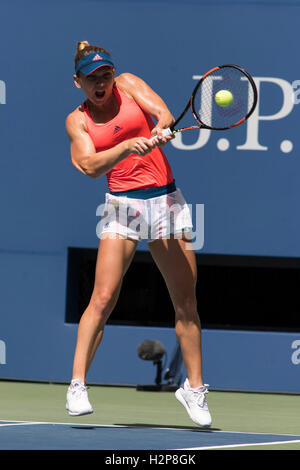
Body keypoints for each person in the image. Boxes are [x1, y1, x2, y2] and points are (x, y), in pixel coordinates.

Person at [65, 40, 212, 428]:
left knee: (186, 302)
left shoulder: (129, 85)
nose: (102, 83)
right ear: (77, 81)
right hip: (122, 208)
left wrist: (162, 129)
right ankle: (77, 384)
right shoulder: (77, 121)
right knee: (103, 297)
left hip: (166, 202)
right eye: (92, 78)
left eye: (106, 75)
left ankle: (194, 388)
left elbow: (162, 113)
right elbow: (88, 165)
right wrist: (127, 147)